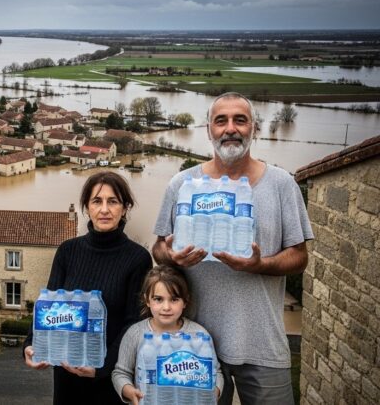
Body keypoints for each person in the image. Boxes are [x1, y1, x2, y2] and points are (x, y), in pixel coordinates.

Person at [152, 92, 313, 405]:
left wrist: (260, 264)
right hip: (194, 343)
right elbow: (157, 247)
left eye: (240, 120)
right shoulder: (182, 184)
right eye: (220, 120)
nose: (230, 128)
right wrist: (170, 256)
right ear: (208, 129)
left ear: (254, 128)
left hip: (262, 344)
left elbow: (300, 257)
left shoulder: (282, 184)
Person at [23, 171, 152, 404]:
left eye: (113, 201)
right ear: (86, 208)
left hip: (109, 379)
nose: (104, 209)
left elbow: (133, 324)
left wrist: (102, 368)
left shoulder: (138, 258)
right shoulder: (67, 251)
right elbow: (49, 306)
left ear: (125, 208)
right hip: (66, 377)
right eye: (97, 201)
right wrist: (31, 345)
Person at [111, 264, 223, 404]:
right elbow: (121, 373)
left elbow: (216, 373)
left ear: (185, 301)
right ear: (147, 300)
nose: (166, 307)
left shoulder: (199, 334)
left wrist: (213, 393)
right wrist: (130, 391)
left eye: (174, 299)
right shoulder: (136, 333)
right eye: (158, 299)